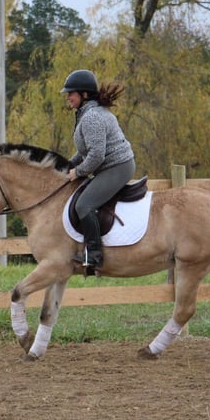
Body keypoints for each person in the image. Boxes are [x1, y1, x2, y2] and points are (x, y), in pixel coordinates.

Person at [61, 69, 136, 270]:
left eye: (71, 93)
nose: (68, 97)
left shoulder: (92, 117)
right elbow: (85, 151)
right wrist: (66, 165)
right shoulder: (87, 114)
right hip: (109, 166)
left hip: (117, 167)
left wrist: (77, 172)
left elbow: (96, 156)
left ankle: (94, 255)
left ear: (84, 95)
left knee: (84, 205)